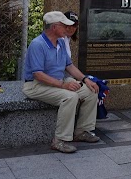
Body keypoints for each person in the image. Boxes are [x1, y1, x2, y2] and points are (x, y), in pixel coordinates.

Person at [23, 11, 100, 153]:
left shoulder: (60, 42)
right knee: (70, 97)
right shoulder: (37, 44)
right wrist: (63, 85)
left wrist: (85, 80)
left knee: (90, 91)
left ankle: (81, 132)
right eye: (65, 26)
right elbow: (38, 74)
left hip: (58, 82)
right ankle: (59, 140)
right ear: (54, 27)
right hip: (35, 85)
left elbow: (69, 66)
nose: (68, 29)